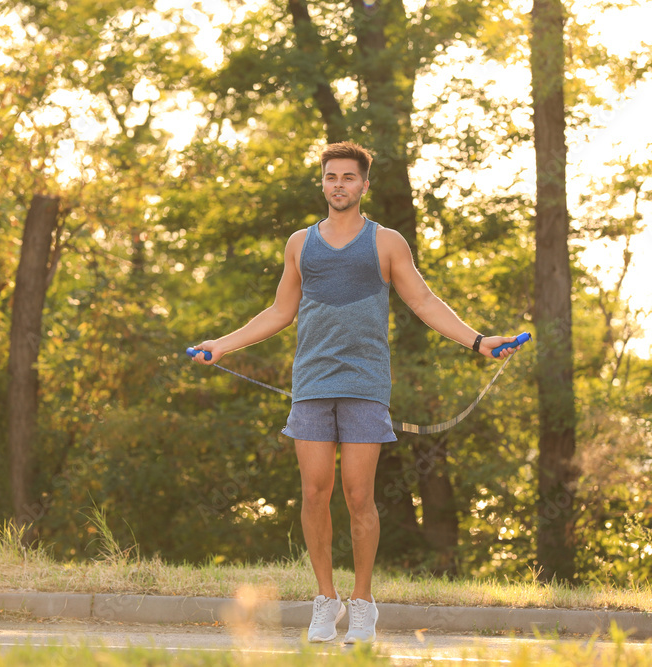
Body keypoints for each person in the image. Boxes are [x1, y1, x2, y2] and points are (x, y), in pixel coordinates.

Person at [191, 141, 520, 644]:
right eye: (331, 177)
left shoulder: (386, 243)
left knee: (358, 496)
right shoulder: (301, 244)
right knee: (314, 493)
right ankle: (326, 600)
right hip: (312, 386)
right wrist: (223, 344)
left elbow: (424, 301)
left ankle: (363, 602)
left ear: (365, 185)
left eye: (348, 177)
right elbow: (279, 312)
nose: (339, 184)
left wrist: (478, 342)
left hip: (366, 387)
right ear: (322, 183)